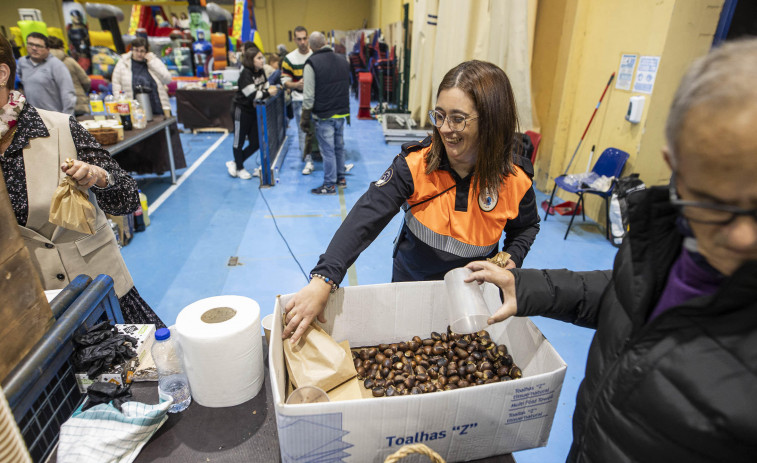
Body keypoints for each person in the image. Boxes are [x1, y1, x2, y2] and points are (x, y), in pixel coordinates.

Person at [465, 39, 757, 462]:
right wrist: (527, 286)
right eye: (713, 201)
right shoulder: (665, 238)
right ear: (675, 166)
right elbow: (626, 293)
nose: (744, 237)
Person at [283, 60, 541, 343]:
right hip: (410, 287)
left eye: (458, 119)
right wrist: (324, 279)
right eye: (439, 115)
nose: (444, 128)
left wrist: (510, 259)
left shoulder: (516, 178)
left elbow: (525, 228)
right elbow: (366, 216)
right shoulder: (416, 165)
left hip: (470, 296)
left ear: (491, 121)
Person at [0, 35, 165, 328]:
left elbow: (127, 197)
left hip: (96, 296)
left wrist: (98, 178)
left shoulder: (59, 128)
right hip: (22, 312)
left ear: (3, 74)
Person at [301, 31, 351, 195]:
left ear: (311, 46)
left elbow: (308, 95)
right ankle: (341, 178)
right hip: (341, 113)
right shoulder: (343, 60)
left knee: (327, 151)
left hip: (324, 115)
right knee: (339, 147)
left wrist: (305, 117)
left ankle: (329, 185)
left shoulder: (311, 63)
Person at [226, 46, 278, 180]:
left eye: (262, 57)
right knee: (239, 140)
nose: (262, 61)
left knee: (256, 142)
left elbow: (265, 88)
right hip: (241, 110)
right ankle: (240, 167)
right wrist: (266, 93)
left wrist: (265, 93)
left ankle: (235, 162)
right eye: (259, 58)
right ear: (251, 60)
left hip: (253, 111)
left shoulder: (261, 72)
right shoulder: (246, 74)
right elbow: (253, 95)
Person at [16, 32, 76, 116]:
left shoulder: (56, 65)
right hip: (32, 118)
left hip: (54, 117)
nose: (34, 48)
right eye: (30, 44)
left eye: (38, 46)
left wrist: (68, 118)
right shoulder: (22, 62)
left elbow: (68, 93)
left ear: (48, 49)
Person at [281, 26, 314, 175]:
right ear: (294, 40)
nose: (302, 42)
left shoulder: (315, 55)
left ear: (308, 38)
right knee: (303, 132)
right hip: (298, 101)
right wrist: (296, 85)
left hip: (316, 100)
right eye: (299, 39)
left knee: (319, 131)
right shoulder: (289, 59)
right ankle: (308, 160)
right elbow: (284, 81)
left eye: (304, 38)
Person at [111, 37, 173, 116]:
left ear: (146, 51)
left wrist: (151, 63)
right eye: (136, 50)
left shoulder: (154, 61)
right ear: (132, 50)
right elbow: (116, 83)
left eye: (142, 51)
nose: (139, 54)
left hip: (157, 105)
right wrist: (119, 101)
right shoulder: (123, 63)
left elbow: (167, 79)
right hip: (134, 108)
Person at [47, 36, 91, 117]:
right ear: (61, 47)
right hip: (78, 103)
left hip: (54, 107)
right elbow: (86, 81)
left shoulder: (42, 64)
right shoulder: (70, 61)